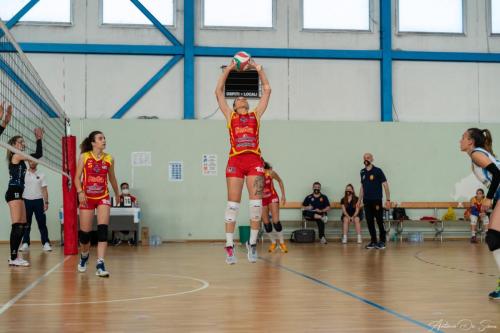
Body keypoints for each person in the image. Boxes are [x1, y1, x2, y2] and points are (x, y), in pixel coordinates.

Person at [215, 57, 271, 264]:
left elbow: (267, 90)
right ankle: (229, 245)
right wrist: (229, 69)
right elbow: (218, 92)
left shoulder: (256, 115)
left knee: (256, 205)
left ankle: (253, 244)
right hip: (236, 162)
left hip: (254, 161)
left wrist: (259, 69)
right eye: (238, 98)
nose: (241, 98)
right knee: (233, 205)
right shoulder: (230, 116)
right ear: (235, 104)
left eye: (243, 98)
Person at [460, 128, 500, 299]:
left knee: (493, 237)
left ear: (471, 141)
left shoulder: (476, 154)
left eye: (463, 137)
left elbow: (498, 174)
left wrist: (488, 198)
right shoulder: (478, 154)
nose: (460, 140)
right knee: (495, 237)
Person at [74, 131, 120, 277]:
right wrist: (80, 192)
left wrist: (117, 193)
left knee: (102, 230)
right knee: (85, 235)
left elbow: (112, 178)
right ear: (93, 142)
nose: (104, 140)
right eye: (100, 138)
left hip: (103, 197)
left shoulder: (110, 158)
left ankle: (100, 263)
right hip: (87, 197)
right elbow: (76, 178)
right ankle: (84, 255)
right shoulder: (85, 156)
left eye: (104, 138)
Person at [6, 125, 45, 267]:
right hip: (13, 192)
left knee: (23, 225)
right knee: (17, 225)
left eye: (23, 141)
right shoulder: (16, 155)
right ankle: (13, 257)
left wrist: (39, 139)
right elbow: (38, 154)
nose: (23, 143)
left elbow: (36, 156)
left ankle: (14, 256)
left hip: (18, 193)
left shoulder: (21, 159)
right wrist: (39, 138)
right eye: (20, 142)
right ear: (13, 145)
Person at [358, 153, 391, 250]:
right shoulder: (362, 172)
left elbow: (385, 185)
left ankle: (382, 241)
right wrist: (359, 200)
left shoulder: (378, 171)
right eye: (364, 158)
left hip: (376, 200)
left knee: (379, 220)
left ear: (372, 159)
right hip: (366, 201)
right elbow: (362, 187)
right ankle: (373, 241)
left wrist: (388, 199)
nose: (366, 159)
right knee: (369, 221)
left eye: (368, 158)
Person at [20, 160, 51, 252]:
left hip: (38, 201)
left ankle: (45, 243)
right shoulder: (24, 173)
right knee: (26, 224)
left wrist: (46, 202)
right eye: (30, 161)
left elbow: (44, 189)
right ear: (28, 162)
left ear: (37, 162)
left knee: (42, 223)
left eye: (34, 161)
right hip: (26, 201)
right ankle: (25, 243)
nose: (32, 163)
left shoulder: (41, 174)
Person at [261, 161, 287, 253]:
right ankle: (273, 243)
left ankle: (282, 243)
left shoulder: (270, 173)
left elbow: (280, 181)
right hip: (262, 199)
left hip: (272, 197)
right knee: (267, 225)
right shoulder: (254, 175)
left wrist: (283, 195)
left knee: (276, 222)